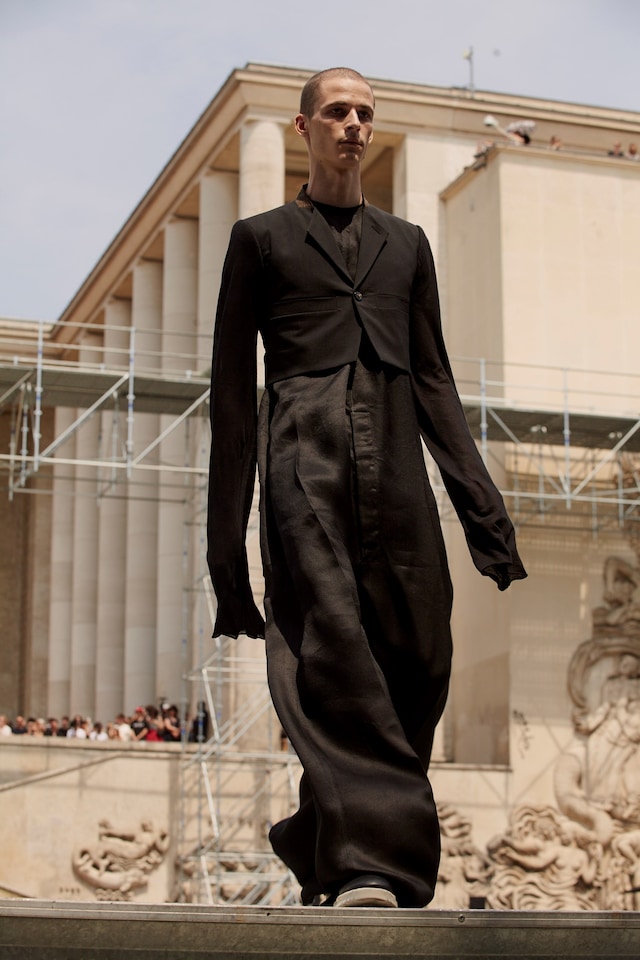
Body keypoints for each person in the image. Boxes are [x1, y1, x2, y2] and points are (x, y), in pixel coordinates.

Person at [207, 67, 526, 909]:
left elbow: (434, 382)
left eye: (365, 114)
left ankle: (324, 834)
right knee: (334, 648)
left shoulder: (407, 244)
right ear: (305, 126)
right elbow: (234, 398)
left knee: (420, 648)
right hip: (301, 453)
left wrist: (483, 513)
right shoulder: (260, 239)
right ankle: (370, 866)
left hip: (394, 449)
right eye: (338, 111)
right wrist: (225, 553)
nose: (354, 123)